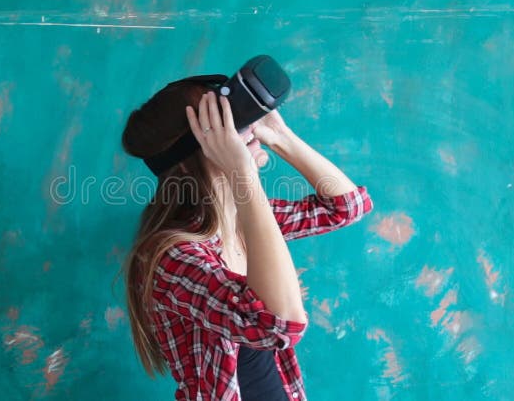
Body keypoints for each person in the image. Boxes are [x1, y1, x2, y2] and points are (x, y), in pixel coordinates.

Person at [120, 78, 374, 400]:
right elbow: (281, 325)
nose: (243, 129)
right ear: (184, 159)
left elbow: (347, 207)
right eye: (220, 123)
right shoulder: (171, 258)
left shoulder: (243, 223)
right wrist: (242, 172)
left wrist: (280, 137)